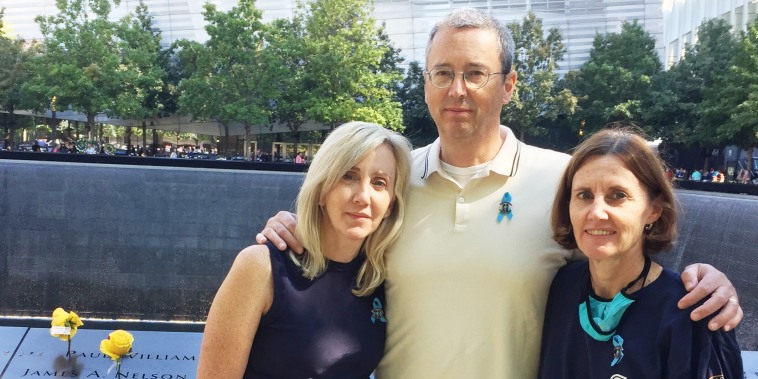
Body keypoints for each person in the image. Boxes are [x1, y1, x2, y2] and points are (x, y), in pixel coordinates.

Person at [257, 8, 743, 378]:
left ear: (509, 84)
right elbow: (334, 249)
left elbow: (627, 252)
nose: (457, 90)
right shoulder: (390, 187)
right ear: (426, 83)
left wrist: (706, 282)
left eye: (475, 73)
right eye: (442, 73)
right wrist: (295, 225)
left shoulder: (565, 184)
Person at [197, 122, 412, 379]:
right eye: (349, 176)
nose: (363, 197)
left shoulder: (379, 277)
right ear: (322, 188)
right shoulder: (260, 267)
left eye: (379, 182)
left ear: (390, 204)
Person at [538, 128, 742, 378]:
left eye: (617, 195)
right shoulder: (561, 288)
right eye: (584, 195)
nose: (596, 212)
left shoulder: (692, 314)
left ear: (654, 210)